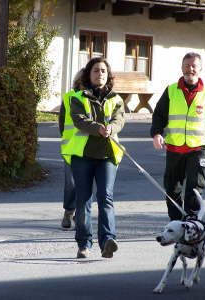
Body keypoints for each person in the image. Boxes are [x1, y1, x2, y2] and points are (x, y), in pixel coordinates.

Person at [150, 52, 205, 220]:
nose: (190, 69)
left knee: (195, 188)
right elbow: (159, 115)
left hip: (197, 149)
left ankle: (192, 223)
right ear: (182, 67)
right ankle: (177, 223)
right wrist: (156, 133)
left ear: (200, 69)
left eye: (193, 66)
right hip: (174, 148)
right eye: (187, 65)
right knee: (172, 189)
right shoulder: (171, 90)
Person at [62, 57, 125, 259]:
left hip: (107, 155)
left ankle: (107, 240)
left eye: (104, 71)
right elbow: (79, 120)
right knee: (84, 200)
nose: (100, 74)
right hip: (83, 156)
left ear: (108, 75)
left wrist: (111, 128)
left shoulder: (116, 99)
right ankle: (84, 243)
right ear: (89, 75)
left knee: (106, 197)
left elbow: (119, 120)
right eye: (96, 71)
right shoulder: (78, 98)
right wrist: (96, 128)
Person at [59, 69, 84, 230]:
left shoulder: (96, 98)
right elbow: (62, 124)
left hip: (91, 148)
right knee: (72, 184)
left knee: (86, 184)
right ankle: (69, 211)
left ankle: (80, 215)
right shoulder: (68, 98)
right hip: (71, 148)